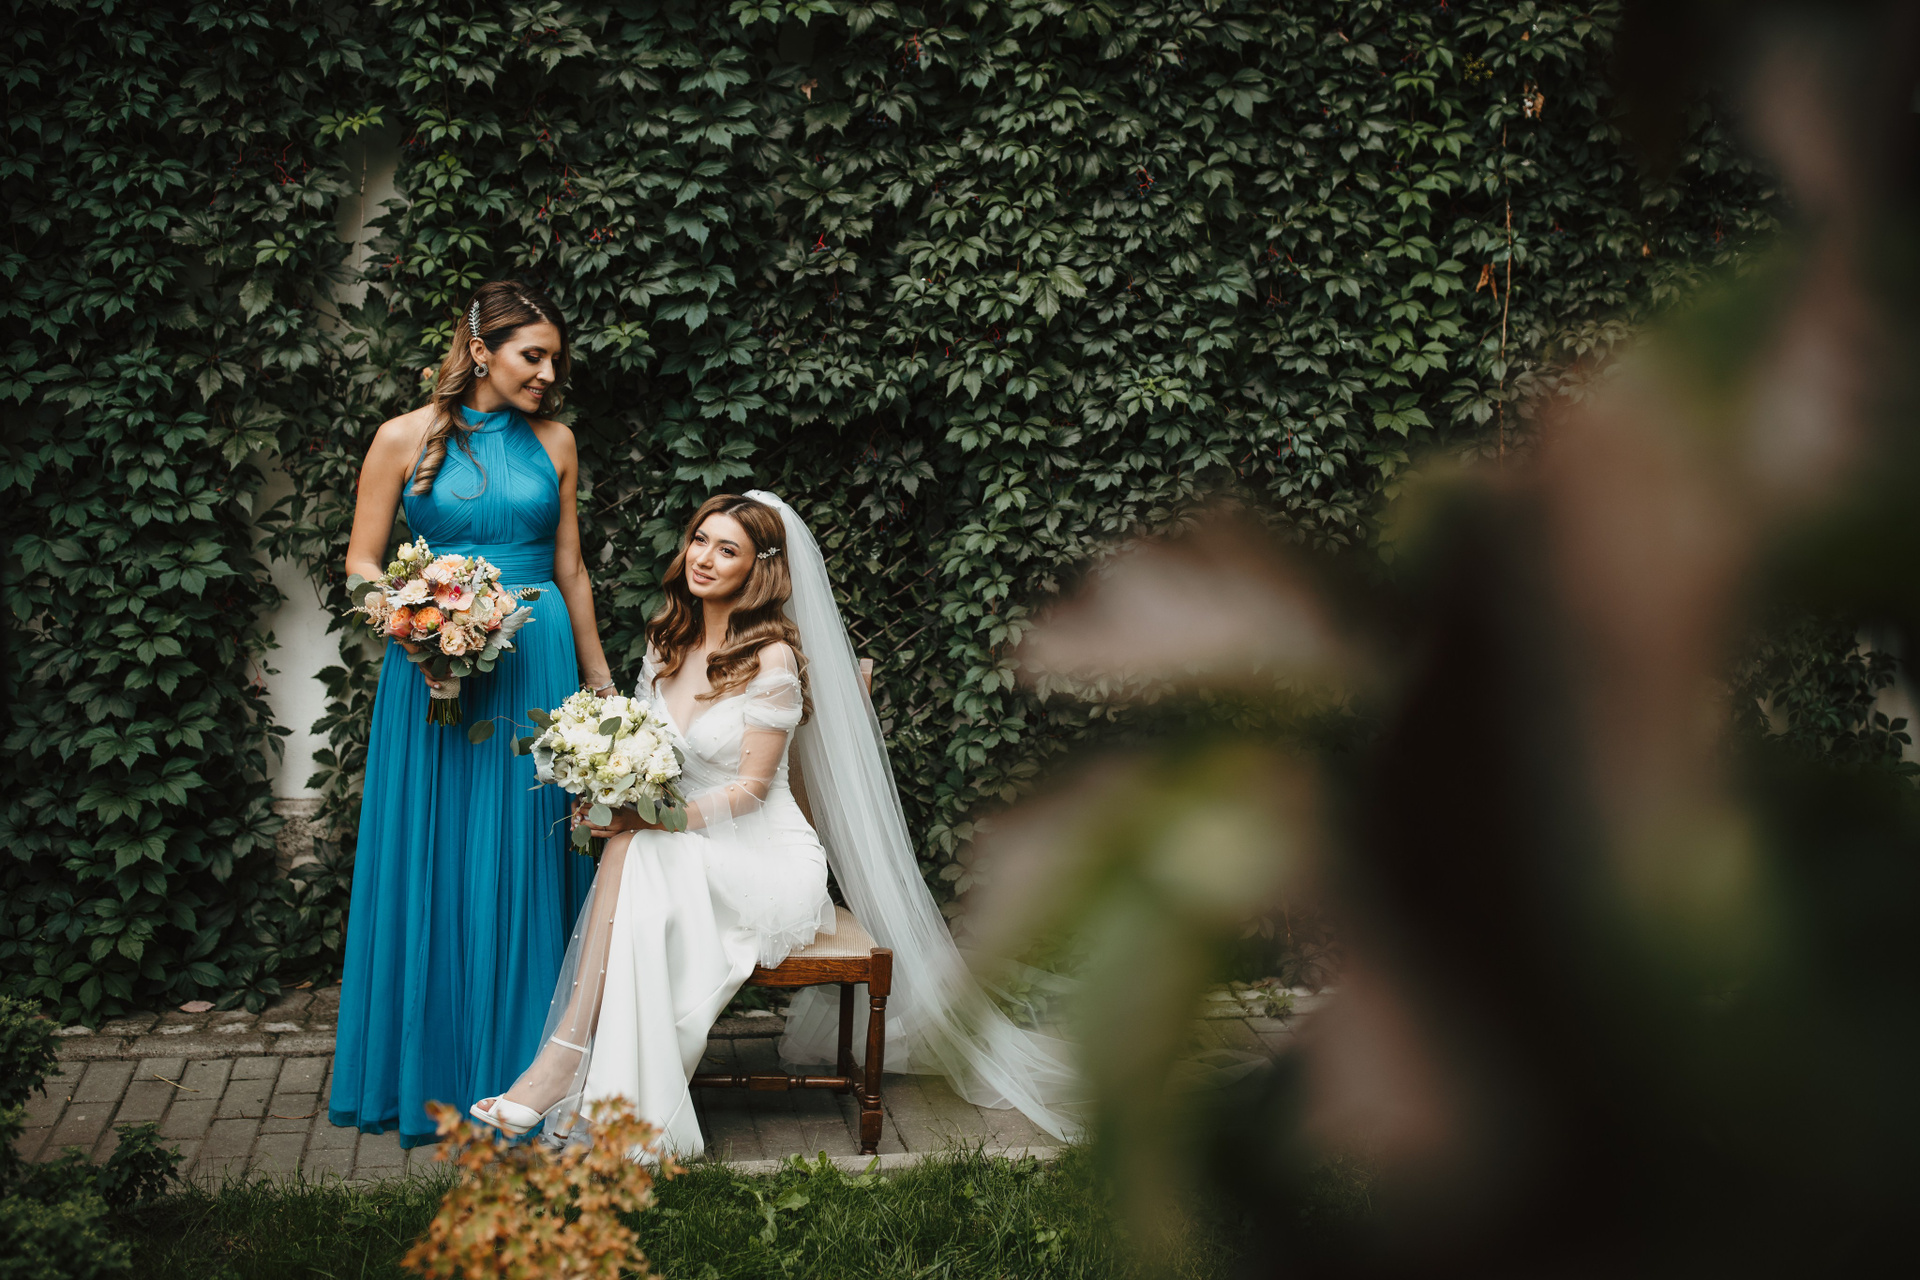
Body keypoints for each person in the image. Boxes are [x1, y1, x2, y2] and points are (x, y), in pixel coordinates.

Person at [471, 491, 1084, 1159]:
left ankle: (565, 1064)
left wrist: (649, 819)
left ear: (757, 569)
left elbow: (749, 791)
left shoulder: (772, 659)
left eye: (726, 549)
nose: (704, 558)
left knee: (633, 848)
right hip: (680, 844)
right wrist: (607, 787)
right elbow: (647, 753)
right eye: (699, 540)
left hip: (766, 856)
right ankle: (590, 1083)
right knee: (633, 852)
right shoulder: (666, 640)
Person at [328, 280, 609, 1148]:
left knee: (531, 849)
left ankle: (533, 1075)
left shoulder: (556, 441)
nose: (548, 374)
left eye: (556, 360)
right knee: (436, 853)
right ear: (482, 351)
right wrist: (415, 619)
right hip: (432, 673)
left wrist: (599, 685)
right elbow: (361, 563)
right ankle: (434, 1073)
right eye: (534, 356)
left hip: (537, 665)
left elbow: (570, 569)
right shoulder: (400, 437)